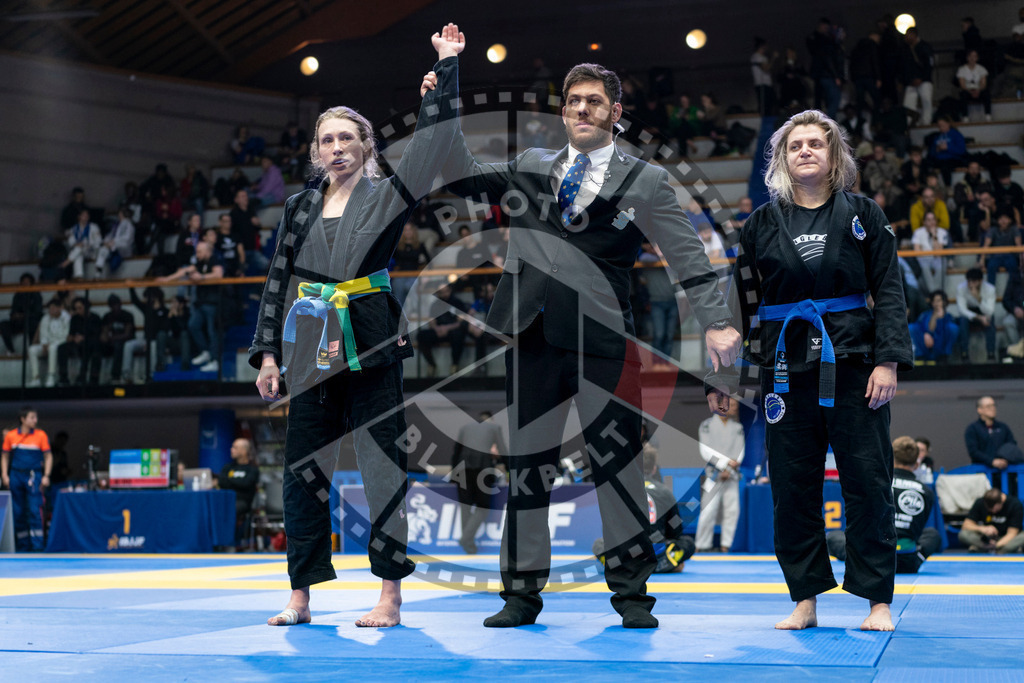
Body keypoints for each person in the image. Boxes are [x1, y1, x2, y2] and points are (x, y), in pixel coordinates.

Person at [435, 60, 740, 629]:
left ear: (614, 113)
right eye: (573, 100)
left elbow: (688, 255)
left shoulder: (646, 181)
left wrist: (718, 320)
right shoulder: (531, 165)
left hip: (605, 341)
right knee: (528, 468)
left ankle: (631, 597)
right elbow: (459, 172)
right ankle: (521, 596)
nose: (581, 109)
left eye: (593, 101)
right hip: (532, 338)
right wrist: (443, 93)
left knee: (618, 467)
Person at [248, 24, 463, 629]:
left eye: (347, 137)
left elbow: (429, 146)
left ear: (366, 146)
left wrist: (444, 71)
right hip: (308, 348)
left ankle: (390, 597)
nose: (337, 147)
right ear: (315, 151)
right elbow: (277, 282)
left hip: (369, 340)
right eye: (327, 140)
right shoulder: (297, 207)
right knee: (303, 473)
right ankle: (301, 595)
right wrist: (267, 356)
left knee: (381, 469)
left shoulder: (387, 194)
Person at [707, 109, 913, 632]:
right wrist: (728, 377)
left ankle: (877, 600)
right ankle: (806, 597)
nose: (805, 151)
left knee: (867, 480)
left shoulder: (864, 213)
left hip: (855, 366)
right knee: (793, 486)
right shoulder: (761, 223)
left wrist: (887, 360)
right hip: (783, 370)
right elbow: (741, 306)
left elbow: (888, 289)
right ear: (780, 158)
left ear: (834, 155)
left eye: (815, 144)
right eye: (794, 144)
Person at [827, 436, 941, 572]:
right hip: (907, 561)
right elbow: (917, 531)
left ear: (890, 458)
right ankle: (916, 558)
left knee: (833, 537)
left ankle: (859, 560)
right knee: (932, 534)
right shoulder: (926, 492)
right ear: (916, 464)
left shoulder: (876, 484)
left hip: (874, 560)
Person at [157, 241, 224, 373]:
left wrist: (202, 277)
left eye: (199, 251)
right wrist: (167, 279)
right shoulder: (199, 262)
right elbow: (185, 271)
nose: (197, 254)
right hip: (200, 302)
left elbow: (218, 274)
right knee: (193, 325)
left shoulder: (214, 259)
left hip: (212, 303)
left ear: (207, 251)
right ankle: (206, 352)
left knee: (212, 331)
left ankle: (215, 360)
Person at [450, 410, 507, 553]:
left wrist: (453, 473)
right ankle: (466, 539)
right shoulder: (494, 427)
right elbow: (503, 449)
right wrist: (509, 470)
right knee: (483, 506)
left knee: (465, 506)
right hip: (483, 468)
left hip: (462, 470)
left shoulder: (465, 428)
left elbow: (456, 451)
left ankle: (468, 544)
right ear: (491, 419)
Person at [695, 399, 745, 553]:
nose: (736, 408)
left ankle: (726, 545)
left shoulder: (738, 428)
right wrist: (724, 464)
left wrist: (729, 469)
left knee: (732, 510)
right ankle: (702, 545)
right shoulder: (707, 425)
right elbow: (705, 452)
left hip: (731, 476)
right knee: (708, 510)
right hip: (713, 474)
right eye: (733, 405)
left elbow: (740, 452)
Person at [1, 407, 52, 551]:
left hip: (33, 475)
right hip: (16, 474)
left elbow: (48, 456)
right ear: (23, 419)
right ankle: (22, 546)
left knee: (35, 510)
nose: (35, 420)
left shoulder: (41, 435)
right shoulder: (11, 436)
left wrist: (46, 475)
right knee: (18, 512)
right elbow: (5, 456)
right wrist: (4, 474)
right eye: (32, 417)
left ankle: (37, 547)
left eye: (36, 417)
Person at [216, 438, 261, 548]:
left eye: (235, 448)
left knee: (232, 509)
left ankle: (230, 542)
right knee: (214, 508)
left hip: (243, 502)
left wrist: (229, 480)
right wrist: (237, 482)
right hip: (226, 500)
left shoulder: (252, 469)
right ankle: (216, 543)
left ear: (244, 451)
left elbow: (246, 484)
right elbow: (221, 482)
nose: (231, 450)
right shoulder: (228, 467)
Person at [959, 488, 1024, 553]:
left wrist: (996, 545)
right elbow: (966, 525)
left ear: (1002, 501)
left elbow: (1012, 533)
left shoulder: (1015, 505)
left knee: (1020, 538)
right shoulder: (980, 502)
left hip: (1006, 539)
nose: (993, 512)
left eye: (995, 509)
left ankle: (987, 549)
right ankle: (985, 547)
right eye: (989, 510)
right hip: (986, 540)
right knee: (963, 534)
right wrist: (982, 529)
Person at [965, 396, 1020, 470]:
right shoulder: (973, 429)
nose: (992, 408)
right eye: (988, 406)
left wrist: (1004, 460)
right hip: (982, 473)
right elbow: (974, 452)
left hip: (1004, 473)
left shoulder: (1003, 427)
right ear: (979, 410)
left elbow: (1012, 445)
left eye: (994, 405)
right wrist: (992, 461)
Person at [955, 267, 998, 362]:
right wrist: (978, 317)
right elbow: (962, 310)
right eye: (969, 281)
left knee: (991, 320)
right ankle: (964, 354)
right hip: (969, 315)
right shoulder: (961, 288)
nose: (970, 284)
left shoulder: (990, 289)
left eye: (974, 282)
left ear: (980, 281)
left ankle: (991, 354)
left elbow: (990, 311)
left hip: (984, 313)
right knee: (962, 321)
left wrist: (978, 298)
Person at [57, 297, 102, 385]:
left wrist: (84, 338)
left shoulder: (95, 318)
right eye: (76, 308)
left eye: (80, 308)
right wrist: (74, 338)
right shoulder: (75, 318)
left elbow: (97, 335)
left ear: (86, 307)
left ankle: (85, 377)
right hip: (76, 343)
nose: (78, 310)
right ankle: (63, 377)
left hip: (91, 343)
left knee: (89, 346)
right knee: (61, 348)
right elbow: (70, 334)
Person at [26, 299, 70, 388]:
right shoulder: (45, 318)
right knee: (32, 349)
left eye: (53, 308)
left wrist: (53, 343)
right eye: (50, 308)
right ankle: (35, 378)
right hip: (47, 344)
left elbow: (66, 335)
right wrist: (44, 343)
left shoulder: (67, 318)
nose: (51, 311)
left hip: (60, 344)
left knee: (53, 348)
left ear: (60, 308)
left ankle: (51, 376)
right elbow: (43, 333)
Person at [910, 290, 959, 364]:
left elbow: (947, 332)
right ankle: (920, 356)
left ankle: (944, 356)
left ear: (944, 302)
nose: (936, 303)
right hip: (925, 344)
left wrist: (940, 318)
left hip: (939, 347)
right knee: (911, 327)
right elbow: (922, 328)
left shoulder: (948, 316)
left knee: (953, 328)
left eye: (939, 301)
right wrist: (925, 334)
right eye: (934, 301)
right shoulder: (925, 315)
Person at [1, 273, 43, 354]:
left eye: (27, 282)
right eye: (23, 282)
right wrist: (14, 316)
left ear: (31, 284)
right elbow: (13, 311)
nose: (25, 284)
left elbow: (38, 312)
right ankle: (11, 350)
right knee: (3, 325)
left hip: (30, 322)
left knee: (34, 324)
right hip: (18, 322)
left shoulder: (36, 295)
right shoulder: (18, 295)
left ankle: (31, 349)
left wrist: (24, 315)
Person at [900, 27, 935, 125]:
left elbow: (929, 64)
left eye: (908, 36)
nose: (906, 38)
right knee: (908, 103)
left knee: (926, 100)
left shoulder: (925, 47)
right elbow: (903, 66)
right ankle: (909, 122)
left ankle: (926, 121)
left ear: (914, 35)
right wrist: (906, 80)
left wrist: (923, 78)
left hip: (924, 80)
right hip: (910, 81)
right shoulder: (905, 49)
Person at [911, 210, 949, 295]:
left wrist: (934, 235)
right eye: (928, 220)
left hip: (936, 258)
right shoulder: (918, 232)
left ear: (936, 221)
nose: (931, 222)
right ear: (924, 222)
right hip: (923, 258)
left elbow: (939, 254)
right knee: (924, 266)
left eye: (933, 219)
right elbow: (917, 252)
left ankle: (935, 293)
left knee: (942, 263)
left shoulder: (942, 232)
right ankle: (935, 293)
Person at [99, 294, 136, 383]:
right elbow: (104, 334)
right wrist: (105, 336)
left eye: (116, 304)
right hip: (111, 342)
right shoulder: (107, 316)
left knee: (119, 345)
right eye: (112, 305)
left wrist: (113, 337)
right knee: (98, 346)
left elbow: (127, 334)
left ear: (120, 304)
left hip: (125, 342)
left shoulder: (127, 315)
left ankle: (115, 376)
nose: (115, 307)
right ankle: (95, 377)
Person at [981, 208, 1022, 285]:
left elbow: (1019, 246)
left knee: (1013, 266)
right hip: (996, 255)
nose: (1003, 221)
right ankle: (991, 291)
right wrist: (982, 260)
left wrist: (1021, 261)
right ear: (997, 220)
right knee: (991, 266)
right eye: (1001, 219)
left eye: (1005, 218)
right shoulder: (993, 230)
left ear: (1010, 220)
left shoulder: (1014, 229)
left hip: (1010, 255)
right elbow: (986, 246)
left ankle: (1014, 291)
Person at [96, 207, 135, 277]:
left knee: (108, 247)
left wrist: (113, 242)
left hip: (124, 248)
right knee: (103, 249)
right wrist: (105, 242)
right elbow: (110, 235)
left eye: (119, 213)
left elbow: (127, 238)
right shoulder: (117, 225)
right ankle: (98, 272)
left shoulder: (128, 224)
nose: (118, 214)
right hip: (114, 246)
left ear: (122, 214)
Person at [927, 117, 967, 186]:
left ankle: (948, 186)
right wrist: (936, 150)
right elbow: (931, 152)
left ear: (948, 124)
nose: (941, 127)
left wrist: (948, 147)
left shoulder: (956, 135)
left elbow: (962, 150)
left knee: (945, 166)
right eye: (939, 126)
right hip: (939, 159)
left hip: (953, 159)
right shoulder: (937, 136)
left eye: (943, 125)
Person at [64, 209, 102, 279]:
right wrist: (77, 244)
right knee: (78, 254)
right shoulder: (74, 228)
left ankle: (67, 261)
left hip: (92, 251)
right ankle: (79, 277)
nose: (86, 217)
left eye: (87, 215)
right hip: (81, 251)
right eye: (84, 215)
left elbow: (99, 241)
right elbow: (70, 242)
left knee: (79, 249)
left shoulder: (94, 227)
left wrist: (86, 244)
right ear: (79, 217)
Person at [957, 49, 991, 122]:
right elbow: (962, 84)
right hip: (968, 91)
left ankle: (988, 115)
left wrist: (978, 90)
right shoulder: (962, 69)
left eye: (974, 56)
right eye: (970, 56)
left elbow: (983, 83)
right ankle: (965, 116)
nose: (972, 58)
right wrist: (970, 91)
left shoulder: (981, 69)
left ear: (977, 58)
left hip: (978, 90)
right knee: (962, 95)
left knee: (987, 93)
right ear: (967, 58)